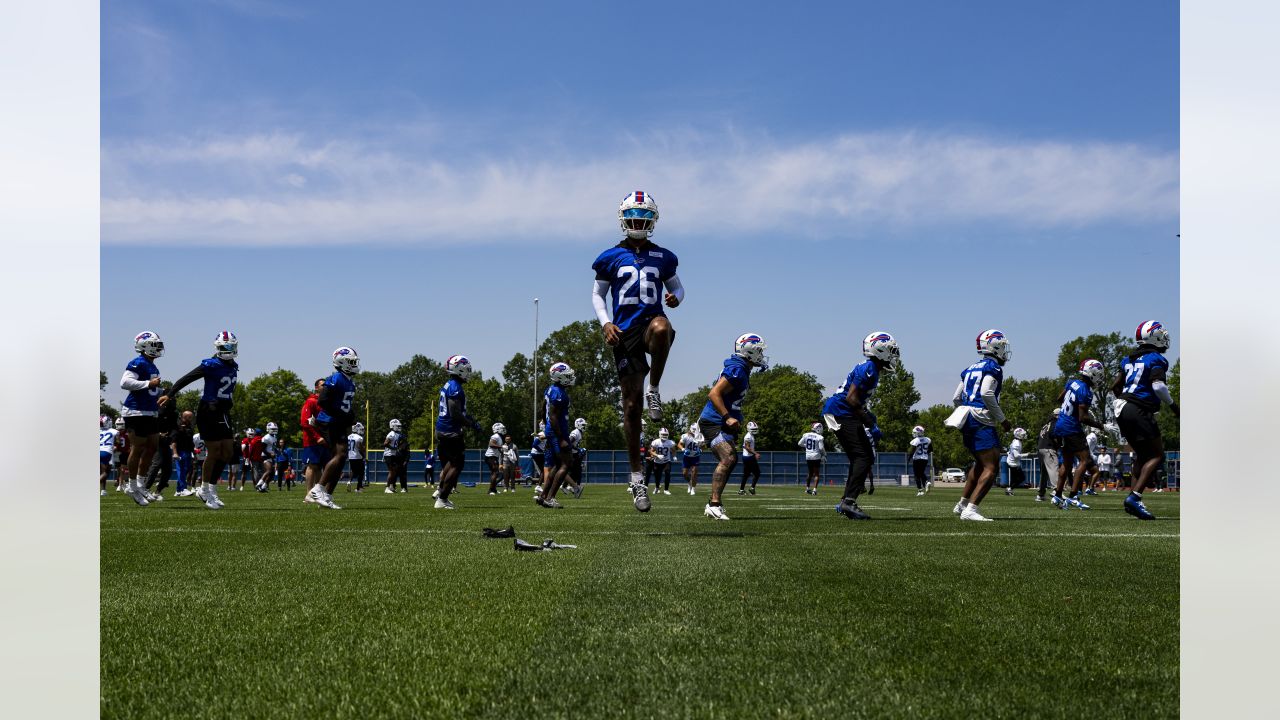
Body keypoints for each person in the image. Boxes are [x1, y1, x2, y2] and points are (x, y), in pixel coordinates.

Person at [591, 191, 685, 511]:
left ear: (653, 220)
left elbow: (677, 287)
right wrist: (605, 323)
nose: (639, 222)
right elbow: (597, 296)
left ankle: (655, 389)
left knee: (663, 328)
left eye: (645, 217)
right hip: (624, 331)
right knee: (630, 407)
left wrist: (676, 299)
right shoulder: (610, 257)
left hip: (649, 323)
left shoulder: (663, 257)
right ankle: (636, 477)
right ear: (623, 218)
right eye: (634, 216)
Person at [823, 331, 900, 521]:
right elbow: (851, 399)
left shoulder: (870, 368)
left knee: (862, 456)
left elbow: (856, 400)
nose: (894, 354)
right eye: (890, 350)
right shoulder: (870, 369)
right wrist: (870, 422)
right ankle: (848, 501)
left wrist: (868, 417)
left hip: (843, 411)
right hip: (841, 411)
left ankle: (847, 500)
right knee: (863, 456)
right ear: (880, 350)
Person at [160, 330, 240, 510]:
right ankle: (204, 489)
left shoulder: (233, 365)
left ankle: (211, 488)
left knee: (227, 452)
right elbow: (188, 378)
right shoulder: (210, 364)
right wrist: (171, 394)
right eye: (225, 346)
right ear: (218, 348)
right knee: (214, 452)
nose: (228, 349)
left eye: (231, 346)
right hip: (209, 410)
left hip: (224, 411)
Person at [1111, 320, 1179, 520]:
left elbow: (1115, 386)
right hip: (1137, 408)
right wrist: (1174, 407)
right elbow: (1158, 387)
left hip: (1121, 407)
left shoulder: (1128, 359)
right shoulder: (1155, 359)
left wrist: (1126, 404)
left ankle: (1133, 500)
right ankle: (1134, 497)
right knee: (1157, 456)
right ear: (1155, 337)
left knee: (1141, 456)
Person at [697, 333, 768, 521]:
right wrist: (727, 417)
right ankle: (713, 505)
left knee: (731, 460)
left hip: (721, 422)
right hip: (713, 421)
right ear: (749, 350)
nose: (761, 354)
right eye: (759, 350)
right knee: (728, 458)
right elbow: (714, 394)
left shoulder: (742, 368)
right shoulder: (737, 369)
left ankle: (715, 503)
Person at [948, 329, 1012, 522]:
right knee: (991, 467)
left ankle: (962, 505)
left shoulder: (970, 368)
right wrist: (1002, 419)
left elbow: (956, 397)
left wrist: (965, 413)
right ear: (995, 346)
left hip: (966, 416)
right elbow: (986, 393)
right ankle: (971, 510)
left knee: (979, 464)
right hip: (981, 417)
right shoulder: (993, 367)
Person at [1050, 359, 1108, 511]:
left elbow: (1059, 399)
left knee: (1067, 463)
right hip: (1071, 427)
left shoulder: (1072, 383)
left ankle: (1057, 495)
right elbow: (1083, 418)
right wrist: (1102, 426)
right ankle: (1074, 496)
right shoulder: (1085, 391)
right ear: (1093, 374)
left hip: (1060, 425)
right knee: (1085, 460)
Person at [309, 346, 361, 510]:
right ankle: (318, 489)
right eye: (351, 362)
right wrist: (341, 415)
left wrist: (349, 415)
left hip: (337, 421)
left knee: (340, 459)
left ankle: (327, 496)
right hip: (329, 421)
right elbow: (323, 401)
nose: (354, 365)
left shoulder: (349, 381)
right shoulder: (336, 378)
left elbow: (343, 405)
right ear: (342, 362)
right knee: (341, 454)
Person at [119, 330, 166, 507]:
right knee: (137, 448)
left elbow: (150, 389)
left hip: (149, 410)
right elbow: (124, 383)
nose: (158, 348)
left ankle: (140, 483)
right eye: (155, 345)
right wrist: (149, 384)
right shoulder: (138, 362)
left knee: (152, 446)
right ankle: (132, 485)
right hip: (135, 411)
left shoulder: (152, 365)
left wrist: (161, 394)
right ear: (144, 346)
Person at [434, 355, 483, 510]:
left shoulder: (449, 384)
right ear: (459, 369)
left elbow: (459, 411)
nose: (468, 373)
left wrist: (471, 420)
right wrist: (470, 424)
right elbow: (455, 412)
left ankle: (441, 493)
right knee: (457, 464)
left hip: (443, 429)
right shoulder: (455, 387)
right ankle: (442, 498)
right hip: (450, 430)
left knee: (450, 463)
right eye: (467, 370)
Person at [537, 362, 576, 509]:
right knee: (566, 464)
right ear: (559, 377)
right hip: (557, 432)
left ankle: (543, 496)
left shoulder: (551, 389)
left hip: (552, 430)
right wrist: (560, 438)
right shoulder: (558, 392)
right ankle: (550, 498)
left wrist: (544, 424)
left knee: (557, 465)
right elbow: (553, 416)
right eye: (567, 375)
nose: (570, 377)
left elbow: (543, 408)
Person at [142, 391, 179, 501]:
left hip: (165, 441)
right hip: (153, 439)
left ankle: (158, 491)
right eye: (171, 398)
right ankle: (145, 489)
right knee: (157, 463)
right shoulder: (154, 410)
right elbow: (146, 426)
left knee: (168, 468)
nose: (173, 400)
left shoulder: (173, 412)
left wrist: (171, 437)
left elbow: (174, 428)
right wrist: (158, 434)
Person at [299, 378, 327, 503]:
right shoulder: (310, 402)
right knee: (312, 465)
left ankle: (318, 493)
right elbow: (305, 423)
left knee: (320, 467)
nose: (325, 386)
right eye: (322, 385)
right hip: (312, 440)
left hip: (324, 440)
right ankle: (309, 494)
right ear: (316, 387)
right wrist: (317, 437)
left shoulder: (325, 402)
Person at [1034, 410, 1062, 502]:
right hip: (1048, 448)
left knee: (1044, 473)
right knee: (1054, 468)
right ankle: (1056, 490)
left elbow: (1038, 437)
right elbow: (1053, 434)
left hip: (1040, 448)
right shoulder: (1055, 423)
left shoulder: (1046, 425)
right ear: (1058, 416)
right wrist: (1059, 444)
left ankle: (1041, 494)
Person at [563, 418, 588, 499]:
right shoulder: (576, 432)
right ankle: (567, 487)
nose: (585, 427)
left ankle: (572, 488)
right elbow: (569, 442)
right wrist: (578, 449)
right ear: (578, 425)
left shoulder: (579, 432)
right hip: (572, 454)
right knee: (575, 472)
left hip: (574, 454)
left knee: (577, 472)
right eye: (583, 425)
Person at [799, 422, 826, 496]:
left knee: (810, 473)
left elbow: (799, 443)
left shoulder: (806, 434)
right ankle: (814, 490)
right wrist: (824, 454)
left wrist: (807, 446)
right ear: (818, 429)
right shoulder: (819, 437)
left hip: (808, 456)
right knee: (816, 474)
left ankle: (807, 488)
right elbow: (821, 448)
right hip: (816, 456)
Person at [172, 410, 195, 497]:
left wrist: (194, 453)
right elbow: (174, 441)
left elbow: (190, 441)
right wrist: (175, 453)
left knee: (186, 470)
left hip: (188, 452)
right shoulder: (177, 427)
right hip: (180, 451)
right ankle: (183, 489)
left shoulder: (190, 427)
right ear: (183, 417)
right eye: (188, 417)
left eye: (191, 417)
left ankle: (178, 490)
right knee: (180, 470)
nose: (190, 419)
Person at [678, 424, 704, 495]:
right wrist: (683, 449)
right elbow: (679, 444)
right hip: (687, 457)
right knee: (684, 473)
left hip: (696, 457)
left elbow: (703, 445)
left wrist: (701, 450)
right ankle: (689, 483)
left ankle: (693, 489)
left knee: (694, 472)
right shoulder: (685, 436)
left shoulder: (700, 436)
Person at [384, 418, 408, 494]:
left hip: (393, 454)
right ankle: (387, 488)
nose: (399, 427)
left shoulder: (397, 434)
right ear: (393, 426)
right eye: (397, 426)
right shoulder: (391, 434)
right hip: (389, 454)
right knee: (391, 471)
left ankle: (391, 486)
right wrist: (393, 448)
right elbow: (385, 443)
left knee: (394, 471)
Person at [649, 427, 675, 495]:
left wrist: (674, 456)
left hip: (667, 460)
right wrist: (657, 455)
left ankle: (666, 489)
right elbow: (651, 451)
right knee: (657, 476)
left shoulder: (670, 442)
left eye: (666, 434)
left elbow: (673, 450)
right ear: (660, 434)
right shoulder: (656, 442)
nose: (664, 436)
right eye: (663, 434)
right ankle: (657, 487)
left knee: (667, 473)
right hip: (657, 461)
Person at [738, 421, 761, 496]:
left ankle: (741, 490)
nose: (755, 430)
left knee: (746, 474)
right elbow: (747, 447)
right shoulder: (748, 436)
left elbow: (745, 446)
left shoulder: (749, 435)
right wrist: (755, 453)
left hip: (747, 457)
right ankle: (752, 488)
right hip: (749, 457)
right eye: (753, 429)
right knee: (757, 473)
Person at [909, 425, 932, 496]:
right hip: (925, 459)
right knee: (921, 472)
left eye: (914, 432)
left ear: (917, 433)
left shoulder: (915, 440)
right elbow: (931, 449)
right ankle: (926, 483)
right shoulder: (927, 439)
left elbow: (912, 450)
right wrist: (925, 454)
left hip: (917, 459)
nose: (913, 433)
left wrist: (909, 458)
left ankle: (920, 490)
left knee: (917, 475)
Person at [256, 422, 279, 492]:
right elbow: (262, 449)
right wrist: (270, 454)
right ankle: (259, 484)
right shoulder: (266, 438)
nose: (274, 430)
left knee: (272, 474)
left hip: (271, 456)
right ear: (268, 429)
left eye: (275, 429)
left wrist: (276, 452)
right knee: (269, 470)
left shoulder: (274, 437)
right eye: (273, 429)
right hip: (265, 456)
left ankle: (263, 487)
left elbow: (273, 447)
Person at [99, 415, 119, 497]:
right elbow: (118, 442)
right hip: (107, 452)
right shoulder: (114, 431)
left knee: (101, 472)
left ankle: (103, 490)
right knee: (106, 472)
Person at [484, 423, 505, 495]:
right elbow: (491, 444)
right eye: (502, 429)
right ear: (498, 429)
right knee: (495, 473)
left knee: (494, 473)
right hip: (490, 456)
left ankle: (494, 489)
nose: (503, 430)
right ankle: (491, 490)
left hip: (493, 456)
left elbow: (497, 448)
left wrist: (502, 452)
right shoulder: (495, 436)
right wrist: (501, 447)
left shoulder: (499, 437)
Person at [1005, 427, 1027, 496]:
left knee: (1014, 478)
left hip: (1012, 462)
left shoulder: (1016, 441)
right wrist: (1026, 454)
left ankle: (1009, 490)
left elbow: (1010, 451)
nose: (1024, 436)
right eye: (1022, 434)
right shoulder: (1016, 443)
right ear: (1018, 435)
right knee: (1021, 478)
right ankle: (1009, 489)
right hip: (1013, 463)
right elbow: (1016, 455)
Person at [346, 422, 366, 492]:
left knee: (353, 470)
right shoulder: (359, 438)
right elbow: (360, 448)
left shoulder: (348, 437)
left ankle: (349, 481)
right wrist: (364, 455)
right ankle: (358, 488)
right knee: (361, 472)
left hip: (350, 456)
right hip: (357, 456)